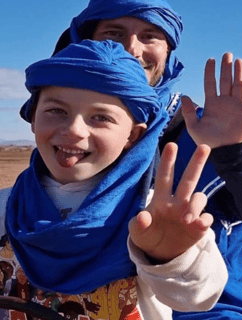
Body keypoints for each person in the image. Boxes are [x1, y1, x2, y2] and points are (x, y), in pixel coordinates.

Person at [53, 0, 242, 318]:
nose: (132, 49)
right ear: (85, 43)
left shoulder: (201, 131)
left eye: (150, 36)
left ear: (167, 51)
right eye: (113, 33)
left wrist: (235, 154)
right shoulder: (66, 138)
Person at [0, 39, 228, 319]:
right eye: (57, 111)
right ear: (33, 118)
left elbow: (197, 298)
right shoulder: (6, 207)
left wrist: (169, 257)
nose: (74, 130)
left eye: (100, 117)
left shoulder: (150, 214)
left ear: (132, 136)